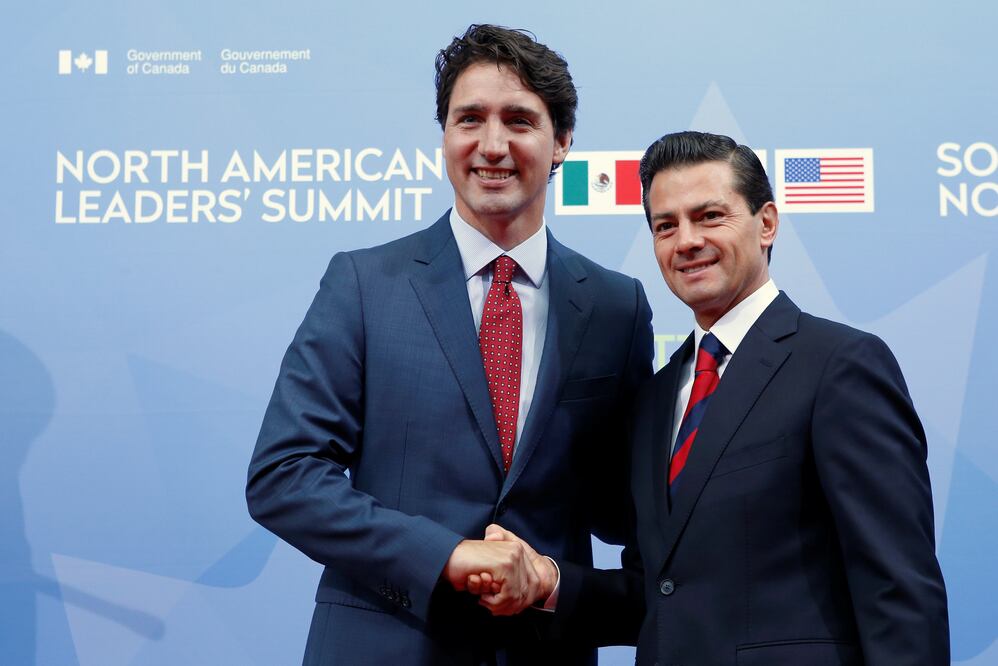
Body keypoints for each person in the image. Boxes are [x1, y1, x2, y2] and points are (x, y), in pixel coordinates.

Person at [245, 24, 652, 665]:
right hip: (384, 643)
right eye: (470, 119)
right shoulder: (364, 283)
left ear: (562, 144)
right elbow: (283, 476)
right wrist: (448, 556)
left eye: (519, 120)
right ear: (443, 138)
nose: (493, 145)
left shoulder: (615, 306)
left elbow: (626, 506)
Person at [626, 130, 949, 664]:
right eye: (666, 226)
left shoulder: (840, 365)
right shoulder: (656, 398)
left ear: (767, 223)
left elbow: (898, 589)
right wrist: (548, 583)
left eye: (709, 216)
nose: (686, 240)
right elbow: (660, 584)